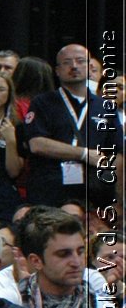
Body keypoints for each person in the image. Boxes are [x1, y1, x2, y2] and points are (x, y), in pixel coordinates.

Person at [25, 43, 118, 210]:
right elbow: (37, 144)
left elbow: (118, 153)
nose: (74, 66)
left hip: (94, 191)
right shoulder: (42, 102)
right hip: (49, 189)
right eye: (67, 62)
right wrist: (83, 154)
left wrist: (117, 199)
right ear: (57, 71)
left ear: (90, 68)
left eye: (80, 61)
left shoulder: (105, 107)